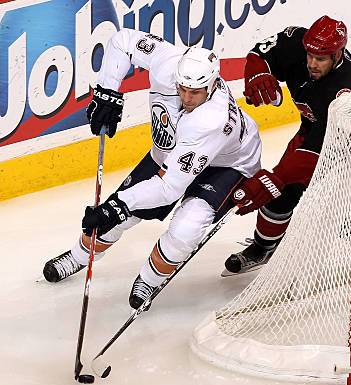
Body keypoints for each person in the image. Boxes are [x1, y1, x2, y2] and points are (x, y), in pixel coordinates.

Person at [42, 29, 262, 309]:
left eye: (195, 92)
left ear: (213, 84)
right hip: (171, 152)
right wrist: (108, 90)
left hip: (228, 164)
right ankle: (78, 256)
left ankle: (149, 278)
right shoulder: (168, 63)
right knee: (114, 217)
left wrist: (121, 203)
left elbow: (169, 188)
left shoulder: (210, 120)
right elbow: (122, 42)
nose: (186, 97)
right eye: (182, 88)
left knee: (184, 229)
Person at [223, 15, 351, 275]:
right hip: (314, 127)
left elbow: (324, 144)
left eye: (321, 59)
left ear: (338, 55)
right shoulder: (299, 41)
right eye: (309, 55)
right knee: (282, 192)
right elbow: (261, 53)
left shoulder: (347, 91)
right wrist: (258, 71)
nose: (312, 63)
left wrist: (278, 176)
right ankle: (263, 248)